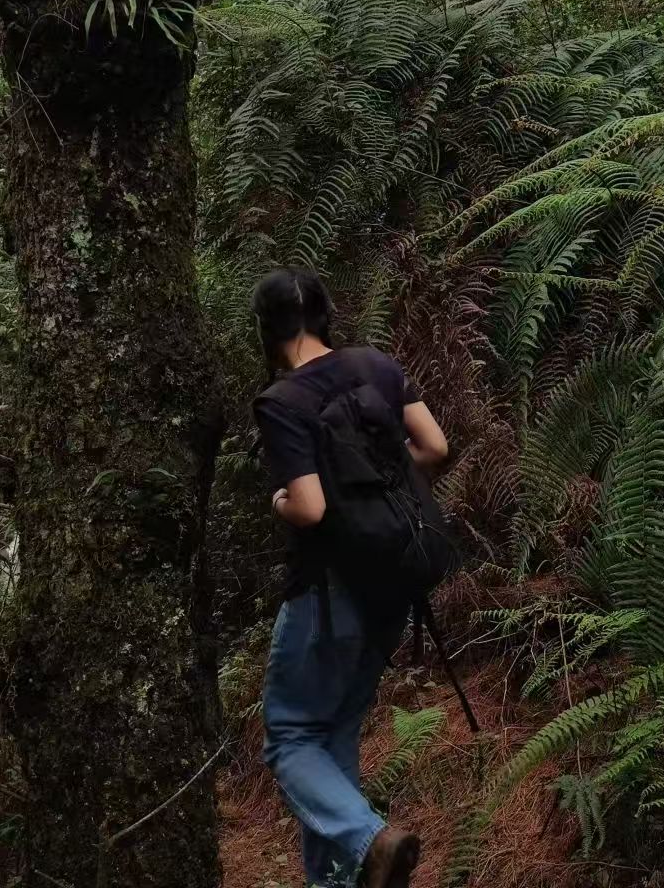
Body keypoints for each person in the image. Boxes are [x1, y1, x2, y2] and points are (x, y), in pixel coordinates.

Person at [251, 267, 450, 888]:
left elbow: (309, 507)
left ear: (266, 329)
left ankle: (371, 840)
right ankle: (336, 881)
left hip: (329, 594)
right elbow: (435, 447)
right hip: (393, 587)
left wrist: (280, 502)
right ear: (325, 315)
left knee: (289, 735)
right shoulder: (378, 366)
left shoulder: (283, 401)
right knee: (332, 734)